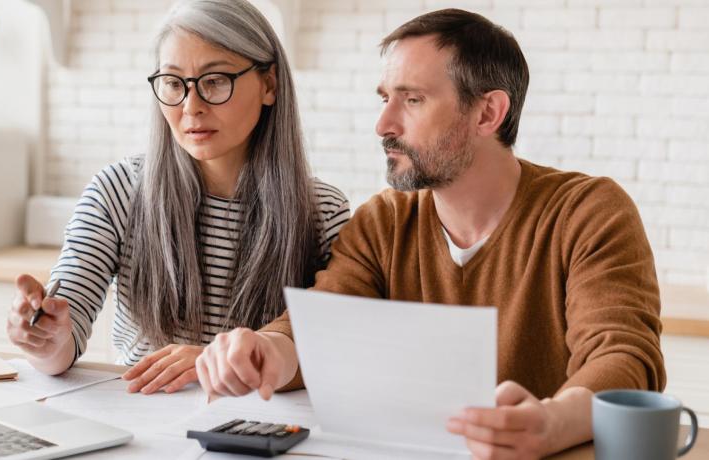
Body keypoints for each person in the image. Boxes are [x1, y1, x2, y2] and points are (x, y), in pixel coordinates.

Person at [195, 8, 664, 459]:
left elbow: (625, 358)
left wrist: (551, 423)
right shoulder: (382, 221)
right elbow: (321, 327)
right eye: (385, 99)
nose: (384, 125)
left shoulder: (587, 211)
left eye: (412, 99)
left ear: (487, 114)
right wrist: (265, 352)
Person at [5, 0, 349, 396]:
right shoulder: (118, 190)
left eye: (215, 81)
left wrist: (212, 364)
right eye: (173, 83)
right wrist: (44, 337)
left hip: (263, 425)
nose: (191, 107)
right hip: (146, 418)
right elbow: (63, 342)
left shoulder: (323, 211)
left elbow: (331, 347)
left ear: (269, 85)